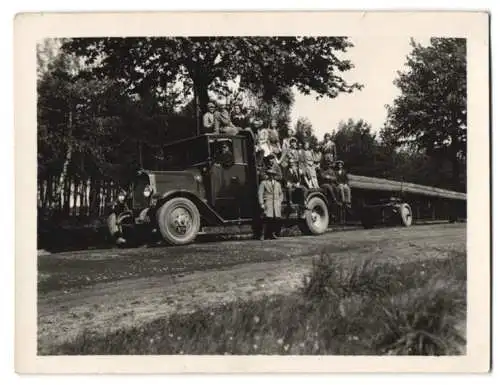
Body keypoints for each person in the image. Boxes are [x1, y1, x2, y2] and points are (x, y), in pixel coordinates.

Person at [258, 168, 283, 240]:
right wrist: (261, 203)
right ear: (268, 175)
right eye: (270, 175)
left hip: (276, 204)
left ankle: (272, 234)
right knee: (266, 219)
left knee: (275, 220)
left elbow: (281, 194)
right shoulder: (263, 183)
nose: (271, 176)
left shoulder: (278, 184)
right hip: (268, 203)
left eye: (273, 175)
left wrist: (279, 202)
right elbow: (260, 193)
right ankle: (262, 235)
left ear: (274, 176)